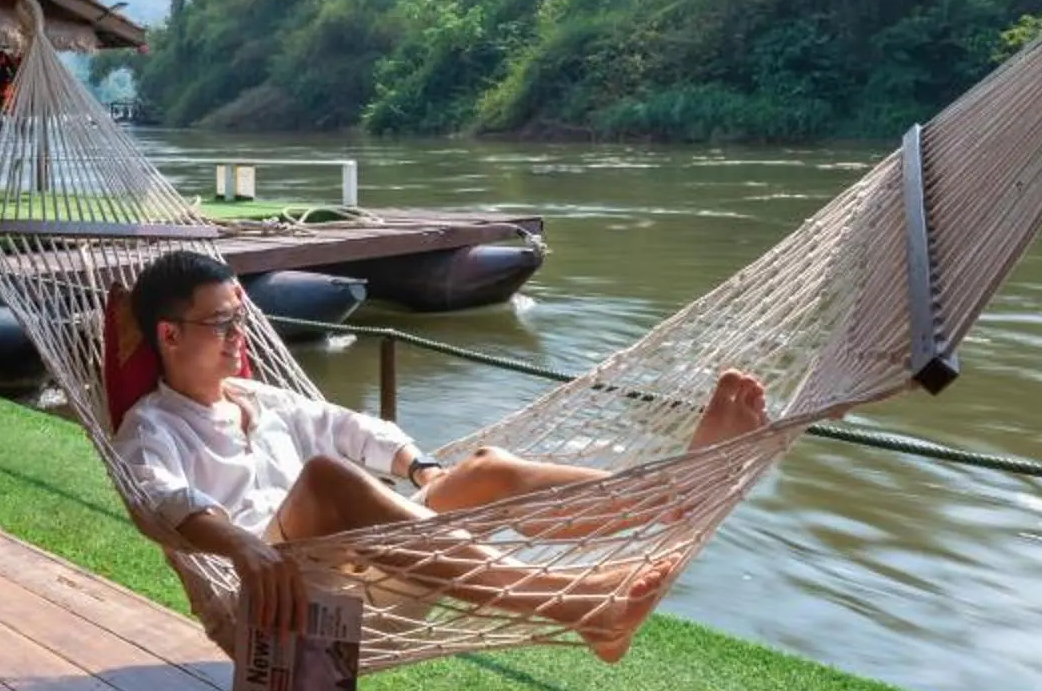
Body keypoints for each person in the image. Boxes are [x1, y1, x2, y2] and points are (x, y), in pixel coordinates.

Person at [112, 249, 770, 662]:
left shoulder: (259, 397)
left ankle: (671, 496)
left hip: (351, 573)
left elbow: (347, 424)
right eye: (222, 322)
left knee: (483, 468)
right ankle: (577, 603)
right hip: (268, 602)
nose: (240, 335)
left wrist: (420, 467)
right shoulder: (152, 429)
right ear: (169, 335)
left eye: (240, 317)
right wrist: (242, 547)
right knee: (325, 480)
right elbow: (157, 503)